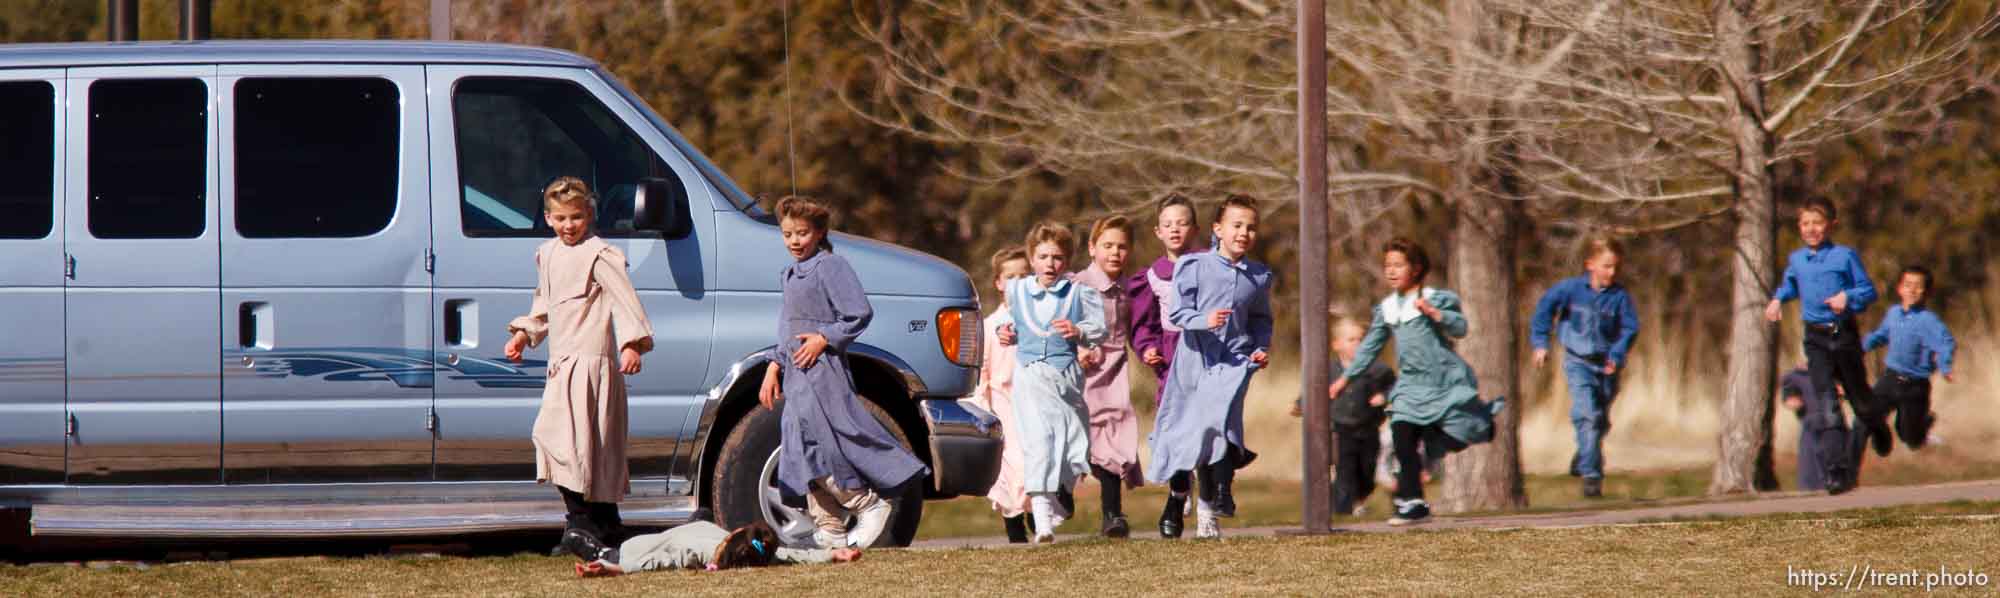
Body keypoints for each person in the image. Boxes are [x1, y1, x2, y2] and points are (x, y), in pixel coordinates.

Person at [757, 196, 929, 549]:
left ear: (819, 233)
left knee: (827, 439)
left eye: (802, 233)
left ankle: (866, 502)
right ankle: (829, 526)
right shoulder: (789, 274)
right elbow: (786, 328)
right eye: (787, 234)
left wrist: (824, 338)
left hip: (823, 371)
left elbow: (858, 313)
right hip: (795, 374)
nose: (794, 241)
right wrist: (774, 365)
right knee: (797, 442)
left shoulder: (831, 266)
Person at [504, 177, 655, 559]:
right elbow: (544, 303)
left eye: (576, 217)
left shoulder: (599, 254)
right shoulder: (548, 254)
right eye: (560, 218)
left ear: (589, 214)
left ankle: (589, 522)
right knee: (558, 441)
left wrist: (631, 344)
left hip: (593, 364)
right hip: (562, 364)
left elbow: (624, 301)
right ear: (548, 218)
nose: (568, 226)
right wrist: (524, 333)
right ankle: (588, 522)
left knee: (591, 445)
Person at [1332, 237, 1502, 526]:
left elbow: (1460, 328)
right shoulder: (1387, 309)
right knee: (1402, 436)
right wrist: (1345, 379)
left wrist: (1437, 314)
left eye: (1399, 265)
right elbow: (1369, 348)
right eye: (1387, 265)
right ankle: (1412, 501)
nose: (1391, 271)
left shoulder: (1433, 297)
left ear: (1417, 268)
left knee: (1467, 430)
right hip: (1410, 385)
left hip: (1443, 380)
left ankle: (1465, 429)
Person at [1145, 194, 1274, 540]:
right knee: (1186, 434)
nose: (1244, 233)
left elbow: (1261, 319)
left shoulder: (1258, 276)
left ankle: (1211, 507)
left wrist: (1260, 348)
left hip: (1233, 363)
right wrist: (1204, 319)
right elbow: (1177, 314)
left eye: (1251, 227)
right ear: (1218, 229)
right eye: (1236, 225)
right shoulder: (1193, 266)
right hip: (1193, 363)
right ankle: (1177, 500)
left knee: (1218, 430)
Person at [998, 222, 1107, 543]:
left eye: (1057, 257)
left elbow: (1099, 327)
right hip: (1030, 376)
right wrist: (1006, 333)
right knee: (1038, 444)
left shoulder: (1078, 293)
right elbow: (1008, 323)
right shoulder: (1018, 291)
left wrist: (1080, 332)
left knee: (1075, 444)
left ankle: (1062, 491)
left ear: (1067, 260)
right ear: (1032, 259)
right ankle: (1042, 520)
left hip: (1066, 378)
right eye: (1043, 256)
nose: (1050, 264)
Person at [1764, 197, 1879, 495]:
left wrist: (1848, 298)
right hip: (1815, 339)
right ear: (1799, 227)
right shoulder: (1797, 260)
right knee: (1827, 402)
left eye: (1817, 223)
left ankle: (1875, 422)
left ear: (1831, 225)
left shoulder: (1844, 256)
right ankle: (1837, 471)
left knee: (1859, 397)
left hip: (1844, 335)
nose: (1811, 229)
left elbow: (1868, 290)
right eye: (1805, 224)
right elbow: (1791, 284)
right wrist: (1777, 300)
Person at [1528, 237, 1639, 498]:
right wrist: (1540, 343)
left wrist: (1617, 353)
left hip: (1608, 366)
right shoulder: (1570, 290)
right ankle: (1592, 477)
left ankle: (1583, 454)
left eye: (1615, 267)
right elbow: (1544, 310)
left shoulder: (1620, 297)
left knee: (1599, 421)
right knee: (1586, 414)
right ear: (1590, 264)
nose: (1611, 272)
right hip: (1578, 362)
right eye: (1606, 266)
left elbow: (1630, 328)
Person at [1073, 216, 1144, 538]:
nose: (1115, 253)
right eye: (1107, 246)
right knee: (1085, 440)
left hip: (1115, 373)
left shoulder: (1129, 290)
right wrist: (1077, 350)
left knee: (1115, 442)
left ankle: (1113, 516)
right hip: (1083, 374)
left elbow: (1138, 330)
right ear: (1092, 248)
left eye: (1122, 247)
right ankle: (1054, 499)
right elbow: (1057, 324)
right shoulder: (1077, 285)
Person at [1292, 314, 1395, 517]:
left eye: (1361, 340)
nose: (1357, 344)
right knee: (1345, 470)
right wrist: (1301, 405)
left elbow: (1396, 386)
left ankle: (1357, 499)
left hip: (1369, 429)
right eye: (1352, 340)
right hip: (1338, 429)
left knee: (1367, 472)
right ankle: (1342, 511)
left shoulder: (1378, 369)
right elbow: (1313, 392)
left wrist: (1384, 396)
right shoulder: (1327, 370)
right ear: (1336, 344)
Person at [970, 245, 1034, 542]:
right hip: (1002, 404)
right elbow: (982, 370)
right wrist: (982, 407)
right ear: (998, 282)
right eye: (1011, 277)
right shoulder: (990, 325)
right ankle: (1015, 526)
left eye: (1024, 275)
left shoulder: (1038, 321)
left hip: (1034, 402)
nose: (1018, 282)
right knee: (1012, 466)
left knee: (1035, 462)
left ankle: (1036, 515)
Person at [1862, 265, 1956, 453]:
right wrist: (1860, 347)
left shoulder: (1928, 321)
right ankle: (1864, 454)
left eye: (1918, 286)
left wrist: (1945, 366)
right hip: (1890, 378)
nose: (1912, 290)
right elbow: (1881, 335)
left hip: (1915, 385)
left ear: (1927, 292)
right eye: (1907, 285)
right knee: (1867, 414)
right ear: (1899, 288)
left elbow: (1946, 343)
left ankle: (1923, 425)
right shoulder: (1893, 313)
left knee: (1910, 437)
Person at [570, 520, 862, 578]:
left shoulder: (702, 551)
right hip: (681, 531)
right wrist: (831, 554)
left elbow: (663, 562)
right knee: (702, 515)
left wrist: (616, 567)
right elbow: (790, 555)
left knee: (579, 539)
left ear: (732, 536)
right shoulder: (762, 559)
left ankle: (598, 552)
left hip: (632, 551)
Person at [1128, 192, 1203, 404]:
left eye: (1182, 223)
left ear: (1195, 229)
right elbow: (1145, 325)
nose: (1175, 229)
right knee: (1173, 416)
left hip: (1208, 354)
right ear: (1158, 232)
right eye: (1168, 224)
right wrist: (1148, 348)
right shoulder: (1151, 277)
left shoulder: (1210, 267)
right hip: (1172, 358)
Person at [1778, 363, 1827, 492]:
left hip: (1832, 422)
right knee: (1810, 460)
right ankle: (1811, 488)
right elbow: (1790, 397)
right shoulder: (1794, 377)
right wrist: (1792, 399)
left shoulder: (1829, 370)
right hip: (1811, 423)